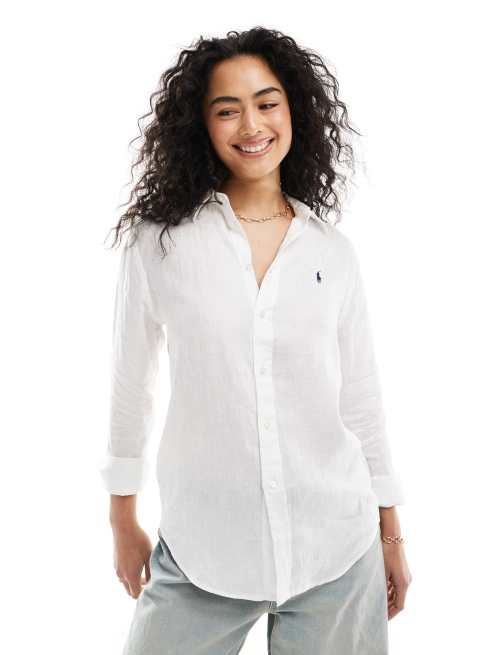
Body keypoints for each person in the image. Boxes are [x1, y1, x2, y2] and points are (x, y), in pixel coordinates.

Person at [99, 26, 412, 655]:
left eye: (267, 103)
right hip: (204, 552)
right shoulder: (160, 243)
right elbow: (131, 385)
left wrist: (391, 535)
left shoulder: (331, 252)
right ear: (201, 125)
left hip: (336, 551)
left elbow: (361, 401)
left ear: (295, 110)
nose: (251, 125)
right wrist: (122, 518)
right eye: (227, 109)